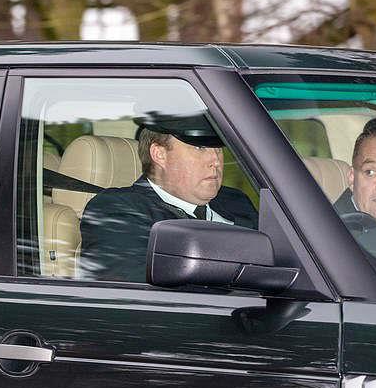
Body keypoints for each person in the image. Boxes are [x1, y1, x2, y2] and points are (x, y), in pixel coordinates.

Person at [79, 117, 258, 282]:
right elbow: (136, 291)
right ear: (159, 154)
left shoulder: (237, 201)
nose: (216, 161)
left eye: (218, 149)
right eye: (200, 148)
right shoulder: (117, 210)